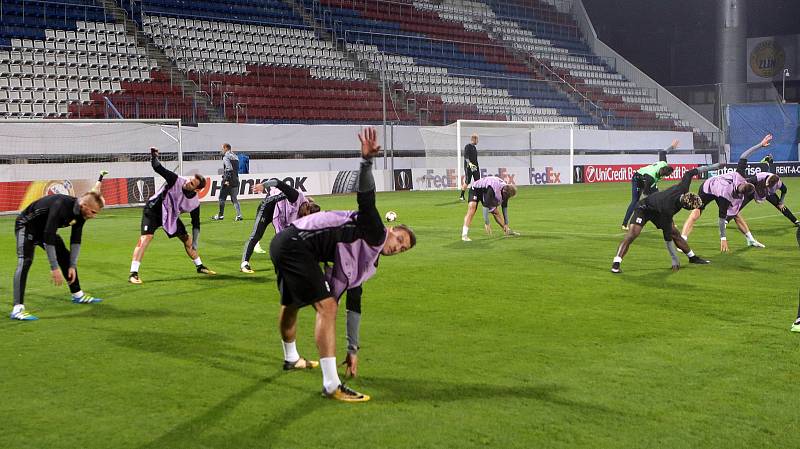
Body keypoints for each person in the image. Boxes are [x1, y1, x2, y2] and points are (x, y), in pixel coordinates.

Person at [269, 127, 416, 402]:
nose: (397, 247)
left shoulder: (369, 260)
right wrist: (366, 162)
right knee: (327, 306)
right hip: (294, 244)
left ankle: (291, 358)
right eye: (399, 239)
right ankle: (331, 384)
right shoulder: (375, 231)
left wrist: (353, 349)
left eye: (402, 248)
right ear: (391, 229)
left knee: (290, 304)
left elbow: (355, 303)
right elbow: (366, 197)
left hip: (289, 244)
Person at [10, 171, 107, 321]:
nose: (94, 215)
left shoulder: (81, 214)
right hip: (26, 225)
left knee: (65, 255)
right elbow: (49, 236)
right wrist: (54, 267)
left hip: (43, 230)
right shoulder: (60, 205)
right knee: (25, 261)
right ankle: (17, 309)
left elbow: (76, 240)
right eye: (93, 212)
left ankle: (77, 295)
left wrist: (72, 265)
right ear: (84, 205)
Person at [611, 163, 719, 274]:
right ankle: (616, 263)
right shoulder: (669, 209)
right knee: (633, 234)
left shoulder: (683, 188)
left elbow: (690, 173)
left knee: (675, 234)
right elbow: (667, 238)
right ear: (685, 207)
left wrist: (713, 167)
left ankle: (692, 257)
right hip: (644, 209)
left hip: (658, 209)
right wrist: (674, 259)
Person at [129, 147, 215, 284]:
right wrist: (154, 156)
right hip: (153, 211)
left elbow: (196, 224)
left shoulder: (194, 204)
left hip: (170, 217)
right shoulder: (175, 180)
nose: (188, 182)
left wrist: (196, 242)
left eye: (192, 183)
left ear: (197, 190)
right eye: (189, 179)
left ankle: (200, 266)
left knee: (188, 239)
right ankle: (133, 273)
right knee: (146, 238)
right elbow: (158, 168)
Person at [681, 134, 771, 251]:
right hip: (708, 187)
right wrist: (723, 238)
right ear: (743, 194)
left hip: (720, 188)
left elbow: (744, 155)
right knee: (696, 213)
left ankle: (750, 239)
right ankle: (682, 239)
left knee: (736, 215)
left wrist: (761, 144)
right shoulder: (726, 197)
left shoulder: (740, 174)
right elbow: (721, 220)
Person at [240, 179, 320, 273]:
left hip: (280, 215)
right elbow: (277, 182)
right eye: (305, 215)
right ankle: (244, 264)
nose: (303, 217)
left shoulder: (303, 214)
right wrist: (264, 185)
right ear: (307, 207)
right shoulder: (295, 196)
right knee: (257, 235)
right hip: (268, 208)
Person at [621, 140, 679, 230]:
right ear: (662, 174)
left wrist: (672, 147)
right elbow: (646, 192)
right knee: (636, 201)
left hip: (644, 178)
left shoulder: (664, 164)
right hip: (638, 179)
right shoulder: (651, 177)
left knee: (660, 200)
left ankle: (669, 222)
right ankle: (625, 224)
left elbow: (663, 152)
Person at [461, 175, 517, 241]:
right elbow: (485, 207)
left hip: (486, 191)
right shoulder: (493, 189)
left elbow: (504, 208)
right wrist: (487, 223)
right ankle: (464, 235)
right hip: (476, 190)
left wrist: (506, 224)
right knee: (472, 209)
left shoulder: (506, 190)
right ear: (504, 192)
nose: (506, 198)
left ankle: (507, 230)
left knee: (496, 212)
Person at [211, 143, 243, 221]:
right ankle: (239, 215)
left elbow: (229, 169)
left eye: (222, 148)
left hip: (228, 181)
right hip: (235, 180)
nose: (221, 150)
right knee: (234, 199)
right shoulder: (236, 157)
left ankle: (220, 215)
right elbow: (236, 169)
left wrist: (226, 180)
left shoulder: (226, 157)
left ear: (226, 148)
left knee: (221, 198)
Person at [459, 133, 480, 201]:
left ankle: (477, 195)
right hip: (468, 167)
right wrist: (470, 164)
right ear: (474, 139)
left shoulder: (474, 147)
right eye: (477, 139)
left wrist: (476, 166)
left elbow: (475, 159)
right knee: (467, 181)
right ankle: (461, 196)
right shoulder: (468, 146)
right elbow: (466, 157)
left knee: (478, 181)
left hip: (475, 167)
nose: (478, 141)